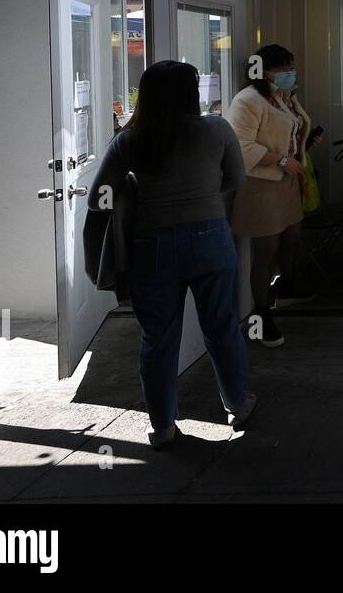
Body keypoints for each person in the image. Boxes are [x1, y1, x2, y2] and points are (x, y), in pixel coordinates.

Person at [89, 60, 255, 449]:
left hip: (153, 245)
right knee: (222, 328)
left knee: (158, 338)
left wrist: (133, 189)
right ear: (191, 92)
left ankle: (163, 427)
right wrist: (206, 194)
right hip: (211, 239)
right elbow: (237, 179)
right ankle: (237, 406)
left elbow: (100, 198)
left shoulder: (131, 139)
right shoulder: (216, 129)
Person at [226, 44, 313, 347]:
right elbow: (240, 144)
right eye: (284, 69)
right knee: (265, 251)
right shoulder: (247, 100)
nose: (291, 73)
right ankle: (260, 316)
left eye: (292, 67)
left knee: (292, 235)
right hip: (260, 184)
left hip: (286, 181)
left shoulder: (281, 97)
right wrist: (278, 160)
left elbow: (294, 127)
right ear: (264, 71)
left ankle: (287, 288)